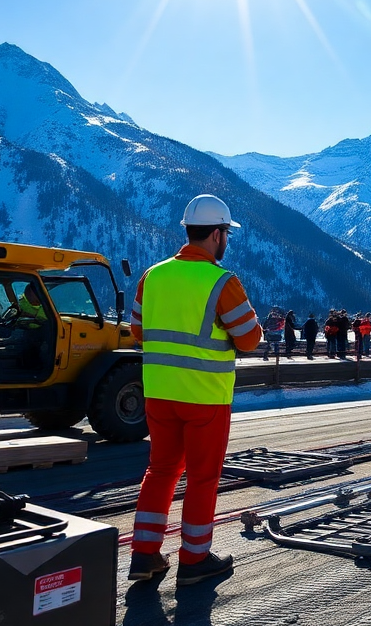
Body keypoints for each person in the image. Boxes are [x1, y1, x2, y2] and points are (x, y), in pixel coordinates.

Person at [128, 194, 262, 586]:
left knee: (160, 471)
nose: (227, 241)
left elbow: (138, 331)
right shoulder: (222, 281)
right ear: (218, 234)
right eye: (227, 234)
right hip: (204, 396)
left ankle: (144, 555)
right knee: (203, 477)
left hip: (158, 393)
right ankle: (194, 559)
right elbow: (250, 339)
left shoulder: (153, 276)